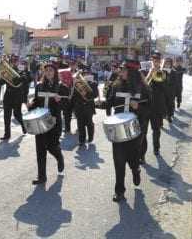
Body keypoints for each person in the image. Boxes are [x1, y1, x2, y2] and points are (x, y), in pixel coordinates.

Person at [105, 59, 150, 202]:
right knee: (118, 160)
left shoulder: (142, 88)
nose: (121, 72)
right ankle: (119, 191)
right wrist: (100, 103)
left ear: (131, 73)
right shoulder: (116, 85)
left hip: (135, 129)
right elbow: (110, 102)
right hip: (118, 128)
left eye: (124, 70)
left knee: (132, 158)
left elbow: (150, 108)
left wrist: (139, 108)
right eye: (121, 69)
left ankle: (135, 170)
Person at [27, 63, 64, 185]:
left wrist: (59, 101)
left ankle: (59, 157)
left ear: (55, 72)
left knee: (52, 146)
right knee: (40, 149)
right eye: (46, 70)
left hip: (54, 121)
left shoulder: (60, 86)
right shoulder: (39, 86)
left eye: (51, 70)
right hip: (40, 122)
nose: (48, 72)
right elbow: (37, 102)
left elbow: (67, 105)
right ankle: (42, 177)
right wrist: (30, 105)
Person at [145, 51, 169, 156]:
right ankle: (142, 155)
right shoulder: (147, 71)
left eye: (157, 60)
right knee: (143, 132)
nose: (155, 62)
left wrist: (157, 72)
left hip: (157, 106)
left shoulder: (163, 73)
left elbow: (164, 88)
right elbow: (144, 85)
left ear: (160, 62)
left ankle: (156, 148)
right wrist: (149, 74)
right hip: (146, 106)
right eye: (154, 60)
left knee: (156, 130)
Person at [0, 54, 27, 140]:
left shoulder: (21, 70)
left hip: (17, 96)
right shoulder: (6, 71)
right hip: (8, 95)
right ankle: (7, 134)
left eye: (15, 61)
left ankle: (23, 125)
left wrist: (21, 78)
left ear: (18, 62)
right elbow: (2, 82)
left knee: (17, 115)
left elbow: (27, 79)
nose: (13, 63)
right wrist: (0, 80)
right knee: (6, 116)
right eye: (11, 61)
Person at [71, 67, 99, 146]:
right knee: (80, 124)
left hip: (89, 106)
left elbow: (95, 95)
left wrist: (86, 94)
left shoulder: (93, 83)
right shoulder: (76, 84)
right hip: (79, 106)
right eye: (83, 74)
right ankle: (81, 140)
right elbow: (73, 96)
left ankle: (90, 138)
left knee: (89, 123)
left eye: (87, 74)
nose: (85, 75)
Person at [163, 58, 178, 122]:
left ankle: (169, 116)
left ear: (171, 64)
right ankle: (164, 116)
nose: (167, 64)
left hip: (171, 92)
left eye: (169, 63)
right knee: (164, 104)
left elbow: (175, 82)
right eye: (166, 63)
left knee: (170, 104)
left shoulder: (174, 71)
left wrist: (169, 74)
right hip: (163, 91)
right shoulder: (162, 71)